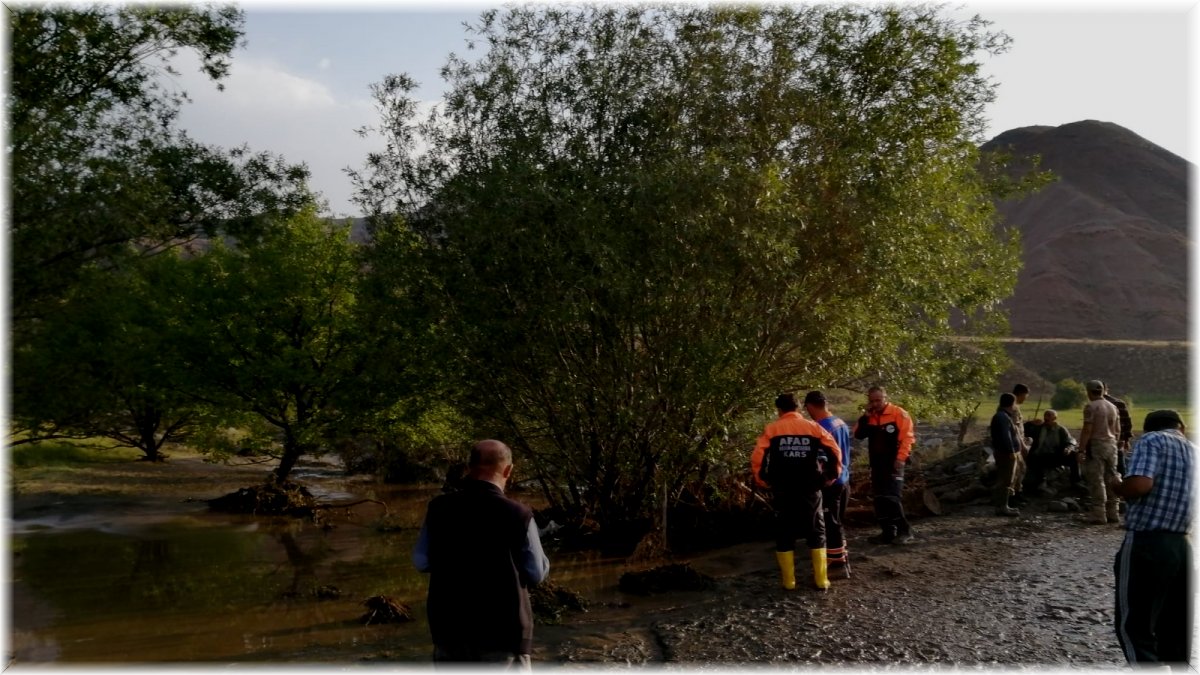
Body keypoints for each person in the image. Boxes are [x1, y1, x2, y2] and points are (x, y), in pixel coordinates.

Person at [413, 439, 551, 668]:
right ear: (508, 470)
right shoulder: (518, 513)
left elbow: (421, 561)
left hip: (449, 629)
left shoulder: (439, 508)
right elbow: (535, 573)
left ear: (469, 467)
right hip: (503, 633)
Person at [1106, 410, 1194, 668]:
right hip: (1182, 545)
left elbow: (1139, 486)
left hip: (1148, 543)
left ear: (1149, 428)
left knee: (1133, 626)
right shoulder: (1194, 451)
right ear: (1181, 427)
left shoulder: (1152, 440)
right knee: (1175, 628)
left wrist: (1118, 485)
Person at [751, 393, 843, 590]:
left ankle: (789, 582)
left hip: (782, 487)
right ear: (799, 408)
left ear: (780, 410)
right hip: (810, 487)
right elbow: (834, 451)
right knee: (816, 531)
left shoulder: (772, 429)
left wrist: (762, 479)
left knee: (784, 532)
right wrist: (831, 476)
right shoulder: (813, 427)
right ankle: (820, 580)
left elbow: (758, 456)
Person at [853, 386, 916, 545]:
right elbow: (858, 435)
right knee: (879, 498)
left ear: (885, 397)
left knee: (891, 497)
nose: (875, 404)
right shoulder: (871, 417)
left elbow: (907, 438)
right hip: (877, 463)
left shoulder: (898, 414)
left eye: (878, 400)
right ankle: (888, 531)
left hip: (894, 462)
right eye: (872, 401)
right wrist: (865, 417)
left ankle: (905, 531)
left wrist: (901, 458)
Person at [803, 390, 853, 577]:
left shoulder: (820, 427)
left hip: (831, 480)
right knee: (837, 521)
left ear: (810, 407)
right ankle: (842, 557)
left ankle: (837, 565)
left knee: (830, 523)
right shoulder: (840, 422)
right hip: (844, 477)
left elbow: (822, 458)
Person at [1077, 379, 1122, 525]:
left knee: (1097, 479)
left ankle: (1099, 513)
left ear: (1089, 392)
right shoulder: (1113, 407)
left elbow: (1087, 430)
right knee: (1112, 477)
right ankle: (1113, 512)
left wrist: (1081, 449)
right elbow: (1117, 430)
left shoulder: (1091, 407)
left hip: (1096, 444)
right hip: (1111, 444)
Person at [1021, 409, 1081, 494]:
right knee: (1034, 465)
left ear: (1055, 418)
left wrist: (1068, 448)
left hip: (1055, 455)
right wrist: (1030, 423)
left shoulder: (1061, 429)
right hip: (1040, 456)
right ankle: (1038, 484)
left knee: (1073, 456)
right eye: (1045, 415)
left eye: (1049, 415)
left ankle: (1076, 482)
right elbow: (1023, 431)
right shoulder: (1038, 428)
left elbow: (1070, 440)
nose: (1046, 417)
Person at [989, 393, 1023, 517]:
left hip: (1003, 452)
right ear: (1012, 404)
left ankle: (1003, 505)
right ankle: (1002, 506)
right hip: (1005, 453)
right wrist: (1011, 451)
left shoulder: (1002, 416)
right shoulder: (1003, 417)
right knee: (1006, 480)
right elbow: (1006, 436)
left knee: (1006, 479)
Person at [1100, 381, 1133, 476]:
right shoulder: (1119, 403)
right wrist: (1126, 439)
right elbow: (1127, 422)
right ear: (1106, 389)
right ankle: (1123, 482)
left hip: (1101, 439)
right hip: (1118, 438)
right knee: (1119, 460)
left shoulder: (1094, 405)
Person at [1008, 384, 1032, 505]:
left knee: (1020, 469)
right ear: (1022, 394)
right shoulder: (1014, 408)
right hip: (1015, 444)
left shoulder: (1013, 406)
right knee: (1017, 470)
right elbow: (1015, 428)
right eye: (1026, 396)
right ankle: (1012, 497)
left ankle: (1017, 493)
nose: (1026, 398)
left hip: (1015, 443)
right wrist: (1023, 445)